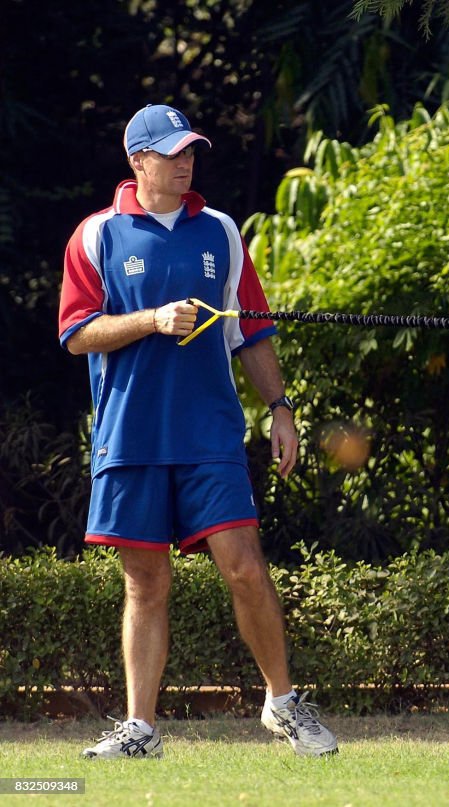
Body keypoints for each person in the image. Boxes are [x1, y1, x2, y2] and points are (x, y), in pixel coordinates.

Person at [58, 104, 337, 759]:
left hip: (211, 432)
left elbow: (252, 330)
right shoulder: (95, 235)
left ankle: (282, 702)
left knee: (245, 568)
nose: (186, 162)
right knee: (144, 584)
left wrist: (282, 407)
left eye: (191, 152)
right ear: (138, 160)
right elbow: (77, 334)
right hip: (130, 436)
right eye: (172, 152)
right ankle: (141, 729)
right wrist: (151, 319)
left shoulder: (220, 232)